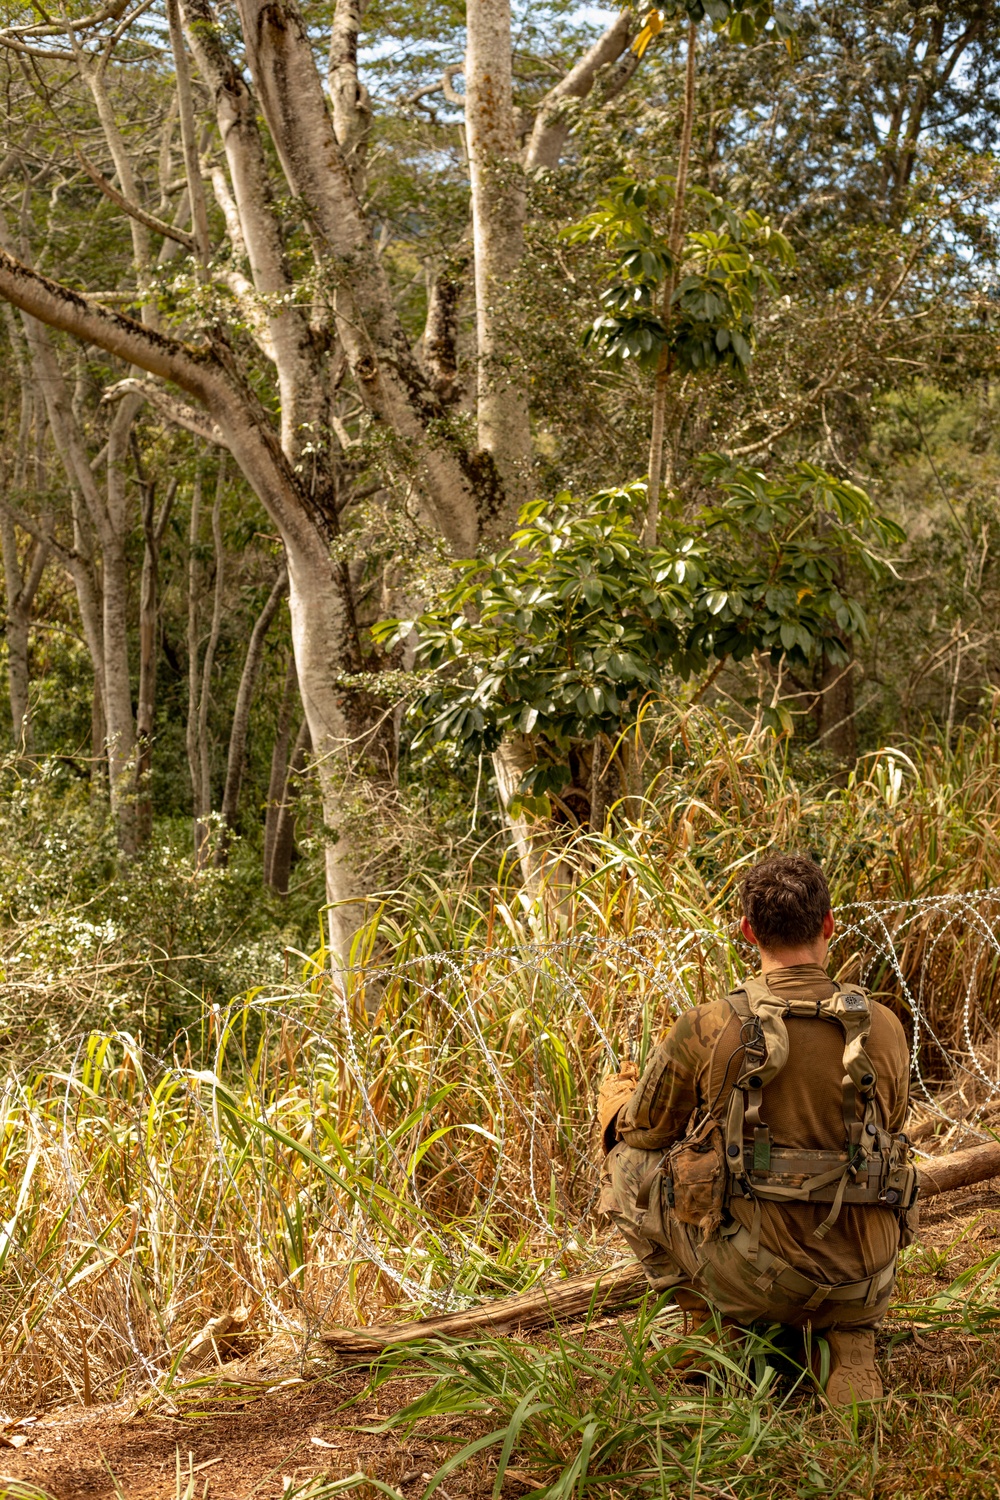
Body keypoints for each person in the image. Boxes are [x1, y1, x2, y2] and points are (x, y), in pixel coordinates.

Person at [597, 853, 915, 1405]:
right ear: (828, 925)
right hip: (870, 1279)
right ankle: (850, 1341)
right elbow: (890, 1130)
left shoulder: (711, 1024)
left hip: (762, 1279)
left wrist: (614, 1102)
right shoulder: (883, 1025)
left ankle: (712, 1328)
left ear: (748, 931)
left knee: (625, 1166)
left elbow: (645, 1132)